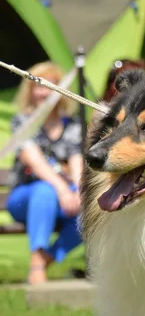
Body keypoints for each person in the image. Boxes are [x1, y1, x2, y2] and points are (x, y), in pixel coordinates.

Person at [6, 61, 83, 285]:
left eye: (50, 85)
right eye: (38, 86)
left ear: (61, 91)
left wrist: (78, 191)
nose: (44, 91)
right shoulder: (23, 123)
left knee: (92, 210)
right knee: (44, 191)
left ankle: (46, 258)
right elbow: (35, 161)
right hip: (26, 198)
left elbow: (77, 161)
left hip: (64, 198)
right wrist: (62, 189)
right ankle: (37, 259)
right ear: (30, 92)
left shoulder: (73, 125)